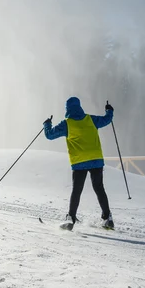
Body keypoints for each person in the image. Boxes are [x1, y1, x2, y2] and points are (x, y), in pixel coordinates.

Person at [44, 97, 114, 229]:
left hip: (79, 161)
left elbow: (49, 135)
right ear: (80, 106)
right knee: (99, 188)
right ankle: (107, 218)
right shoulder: (91, 119)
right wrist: (109, 111)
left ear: (67, 109)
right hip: (96, 159)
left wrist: (47, 124)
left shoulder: (66, 124)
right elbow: (107, 120)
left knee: (77, 190)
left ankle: (71, 218)